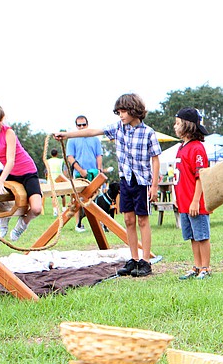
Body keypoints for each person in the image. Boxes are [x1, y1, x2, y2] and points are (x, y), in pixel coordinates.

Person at [55, 93, 161, 277]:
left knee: (142, 219)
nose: (120, 116)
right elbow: (92, 131)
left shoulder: (148, 133)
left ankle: (145, 262)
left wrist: (154, 186)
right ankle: (134, 259)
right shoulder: (118, 128)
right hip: (125, 180)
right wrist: (67, 135)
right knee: (128, 219)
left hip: (142, 181)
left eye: (123, 112)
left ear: (134, 110)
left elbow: (155, 159)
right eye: (118, 112)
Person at [0, 102, 43, 241]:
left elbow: (11, 160)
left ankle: (22, 225)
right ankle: (3, 216)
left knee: (36, 208)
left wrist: (0, 181)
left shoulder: (8, 132)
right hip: (9, 172)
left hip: (27, 171)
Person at [173, 108, 212, 280]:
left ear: (187, 126)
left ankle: (206, 267)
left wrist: (196, 201)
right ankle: (196, 266)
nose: (175, 126)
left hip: (195, 202)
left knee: (202, 236)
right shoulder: (181, 148)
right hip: (184, 202)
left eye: (178, 123)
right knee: (192, 236)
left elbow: (200, 176)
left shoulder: (197, 149)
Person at [66, 115, 103, 232]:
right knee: (77, 199)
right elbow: (70, 157)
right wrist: (80, 170)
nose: (82, 127)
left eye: (84, 124)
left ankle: (99, 222)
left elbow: (99, 155)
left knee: (96, 198)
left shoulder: (95, 139)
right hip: (78, 173)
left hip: (93, 172)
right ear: (76, 126)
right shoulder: (72, 139)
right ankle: (78, 224)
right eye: (79, 125)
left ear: (87, 124)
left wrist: (99, 170)